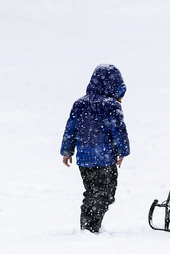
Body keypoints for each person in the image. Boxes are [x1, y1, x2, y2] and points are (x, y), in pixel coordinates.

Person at [60, 64, 130, 233]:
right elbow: (118, 131)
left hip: (84, 161)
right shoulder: (111, 106)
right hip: (105, 160)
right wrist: (122, 151)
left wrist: (67, 151)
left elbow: (71, 129)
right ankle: (91, 228)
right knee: (105, 194)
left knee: (91, 192)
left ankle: (88, 225)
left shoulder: (80, 104)